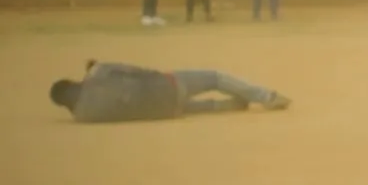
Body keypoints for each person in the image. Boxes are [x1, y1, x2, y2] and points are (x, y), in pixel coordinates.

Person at [49, 60, 291, 124]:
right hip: (167, 86)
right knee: (215, 77)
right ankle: (265, 97)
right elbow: (133, 71)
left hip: (163, 111)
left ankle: (230, 105)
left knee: (196, 107)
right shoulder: (98, 75)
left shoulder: (84, 117)